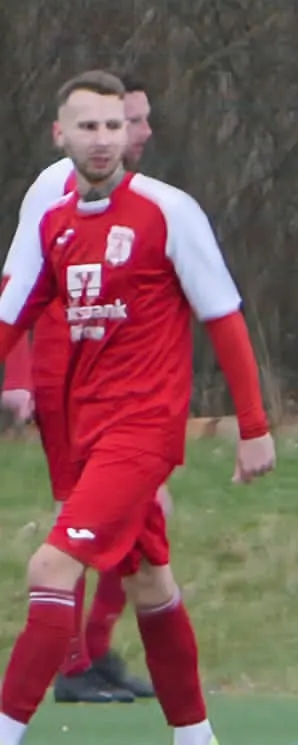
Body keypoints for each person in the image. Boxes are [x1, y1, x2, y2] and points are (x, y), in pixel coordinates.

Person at [0, 70, 277, 745]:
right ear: (60, 135)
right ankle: (195, 743)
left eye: (113, 126)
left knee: (51, 567)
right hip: (82, 428)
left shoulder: (167, 210)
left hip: (142, 430)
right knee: (150, 579)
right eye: (87, 127)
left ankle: (2, 743)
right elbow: (13, 313)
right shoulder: (55, 219)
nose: (102, 140)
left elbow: (224, 317)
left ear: (129, 133)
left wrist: (253, 426)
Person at [2, 74, 162, 704]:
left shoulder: (142, 198)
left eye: (132, 121)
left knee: (143, 516)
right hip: (66, 376)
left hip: (116, 383)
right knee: (85, 519)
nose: (140, 131)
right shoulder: (55, 186)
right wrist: (20, 376)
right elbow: (19, 284)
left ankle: (91, 650)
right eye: (130, 119)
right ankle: (73, 662)